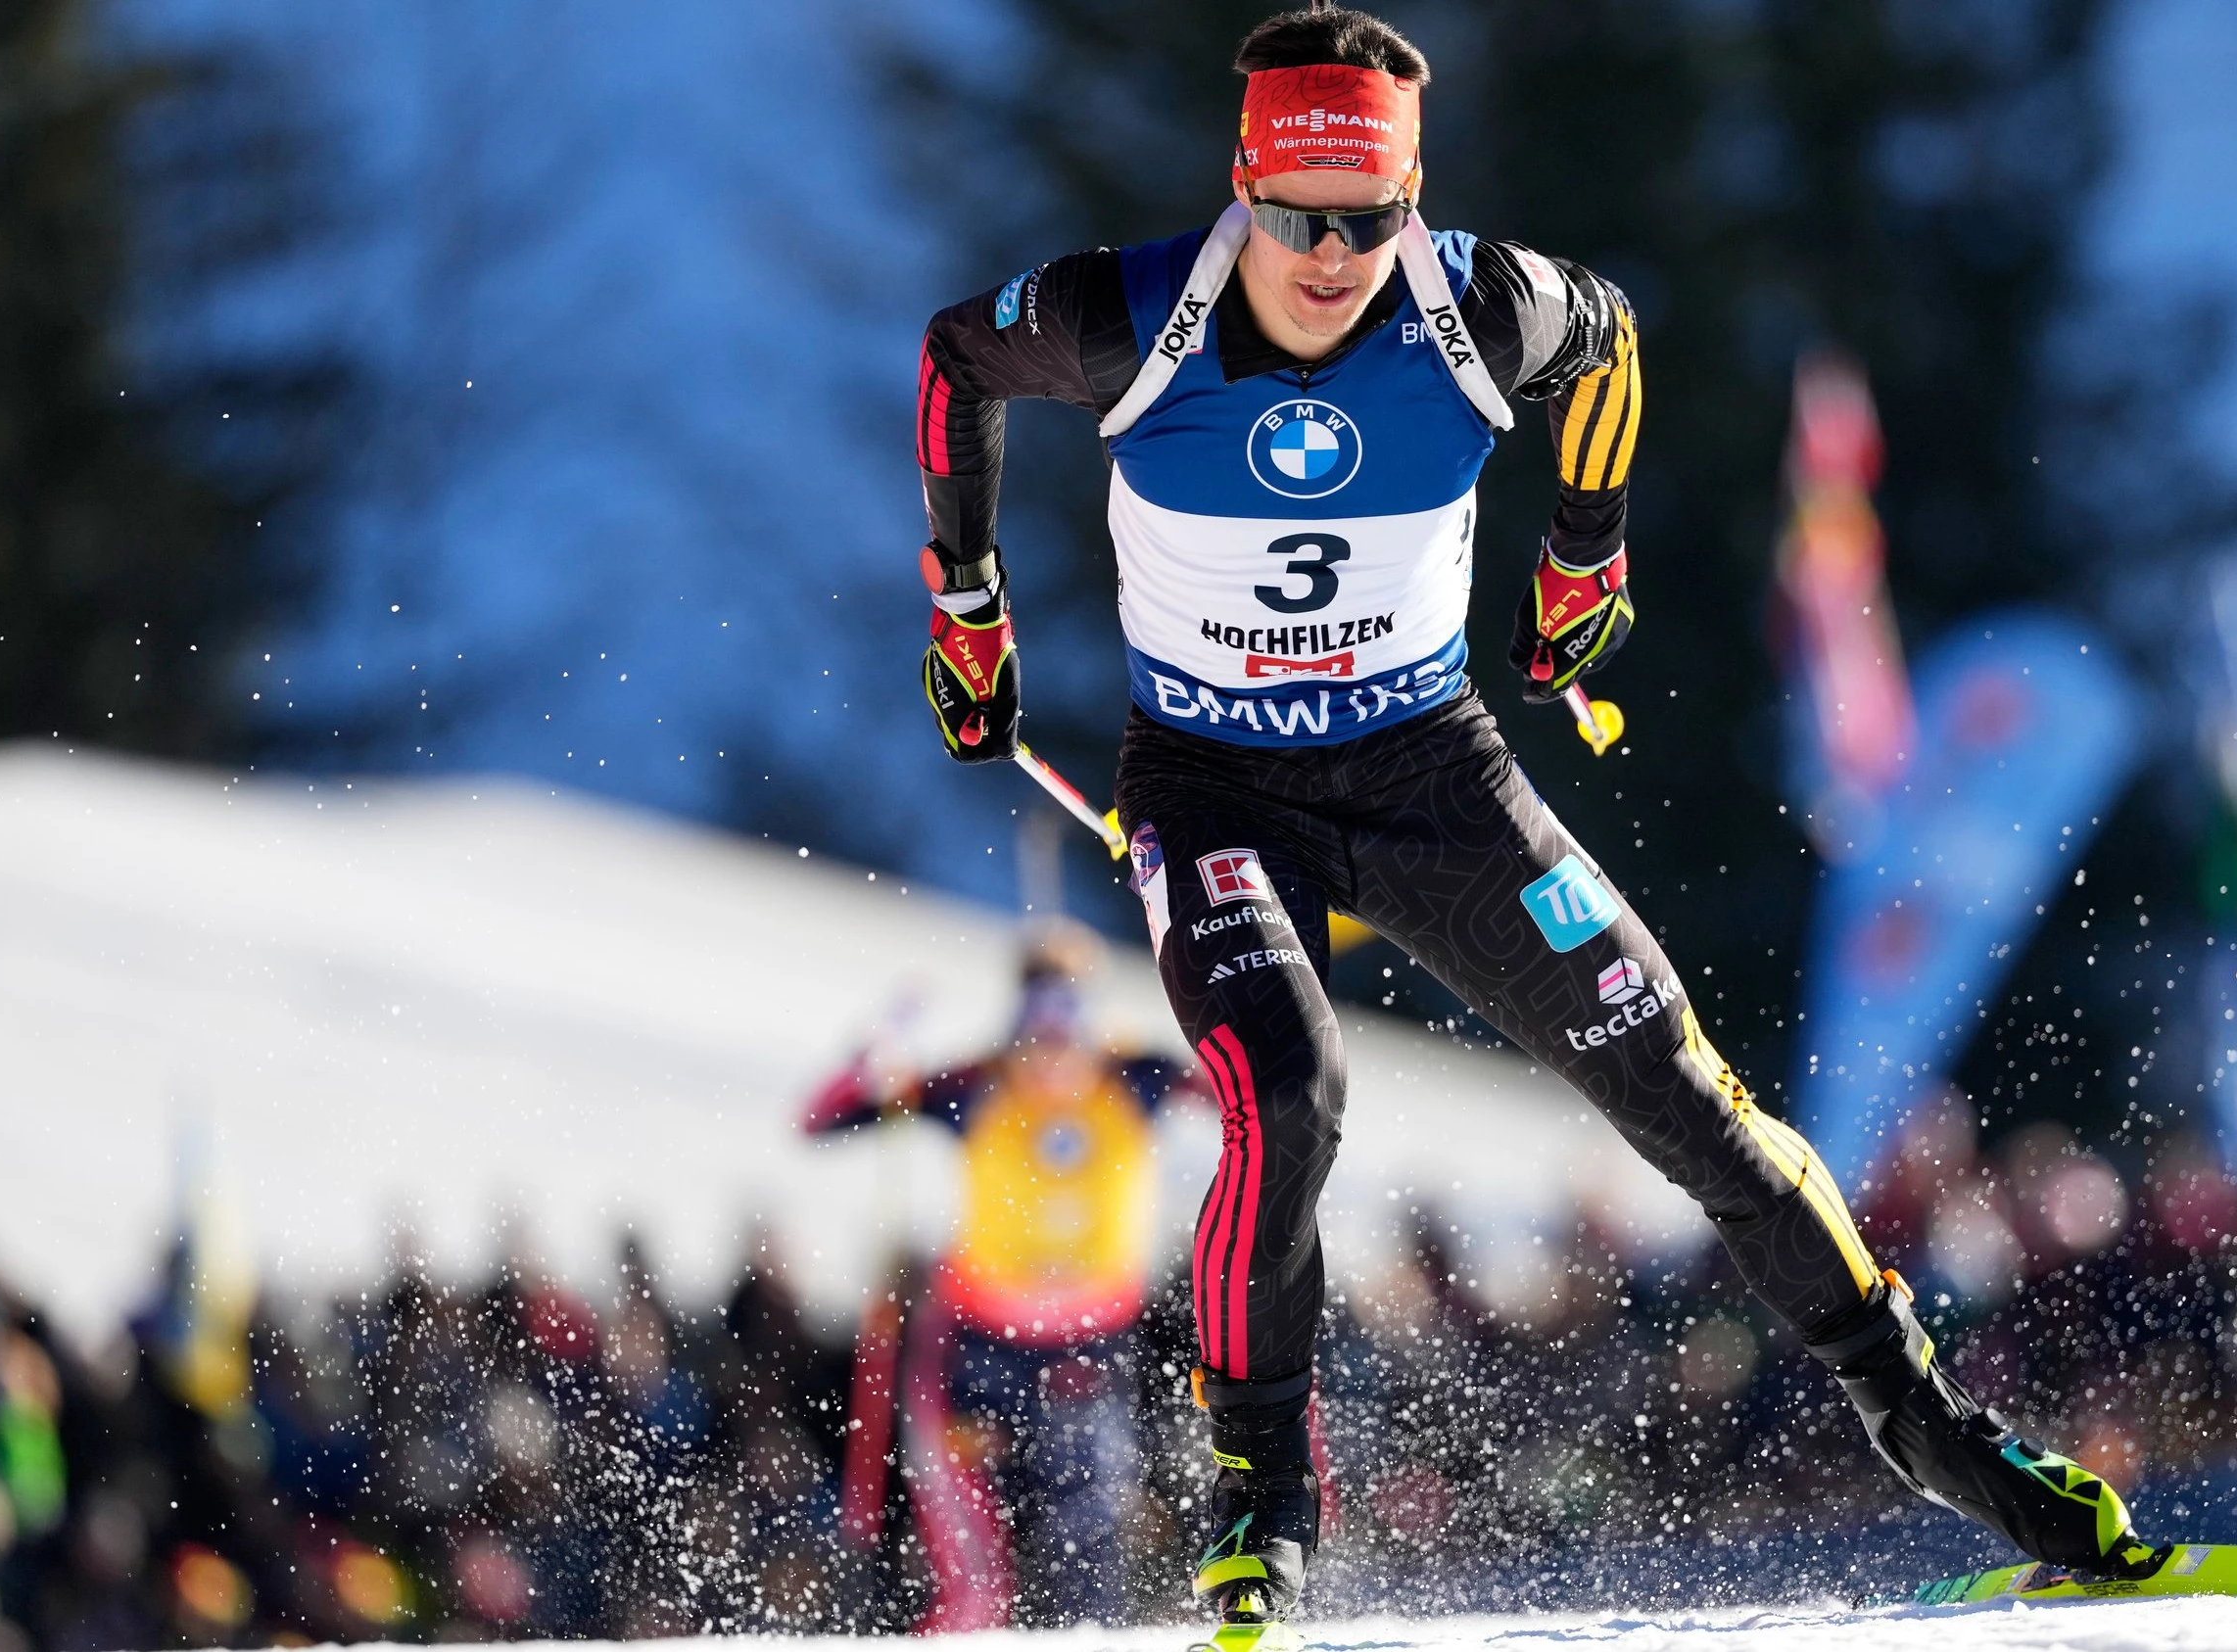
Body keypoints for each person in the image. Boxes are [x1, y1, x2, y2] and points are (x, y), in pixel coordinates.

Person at [908, 4, 2149, 1638]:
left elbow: (1613, 339)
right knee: (1285, 1086)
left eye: (1370, 216)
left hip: (1435, 772)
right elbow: (953, 359)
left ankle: (1930, 1428)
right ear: (1243, 189)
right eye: (1298, 214)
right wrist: (968, 607)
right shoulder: (1129, 312)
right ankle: (1263, 1502)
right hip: (1218, 789)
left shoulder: (1476, 303)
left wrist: (1586, 561)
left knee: (1689, 1092)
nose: (1334, 253)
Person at [803, 923, 1185, 1628]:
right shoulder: (976, 1086)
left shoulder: (1134, 1078)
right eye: (1035, 1030)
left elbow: (1259, 1090)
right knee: (975, 1576)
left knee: (1088, 1552)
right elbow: (822, 1119)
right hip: (977, 1352)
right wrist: (872, 1054)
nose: (1050, 1052)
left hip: (1089, 1348)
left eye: (1068, 1025)